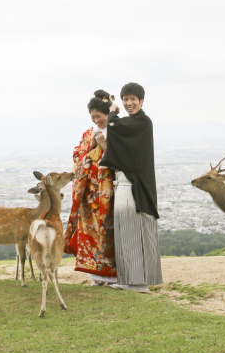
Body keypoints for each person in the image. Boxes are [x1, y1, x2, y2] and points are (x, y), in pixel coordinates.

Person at [99, 82, 162, 292]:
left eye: (133, 99)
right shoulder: (134, 123)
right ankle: (131, 280)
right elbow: (119, 137)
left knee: (133, 232)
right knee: (126, 232)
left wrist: (112, 111)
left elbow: (115, 126)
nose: (129, 103)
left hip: (132, 186)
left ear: (142, 101)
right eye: (125, 99)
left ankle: (138, 282)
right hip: (124, 184)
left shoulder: (142, 122)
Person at [64, 90, 117, 285]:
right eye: (93, 117)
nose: (96, 120)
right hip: (89, 194)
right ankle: (95, 275)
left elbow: (124, 158)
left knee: (109, 232)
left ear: (108, 114)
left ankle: (113, 275)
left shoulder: (117, 131)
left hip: (109, 191)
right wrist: (91, 146)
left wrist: (104, 146)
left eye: (99, 116)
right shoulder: (88, 134)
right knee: (90, 233)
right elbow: (77, 157)